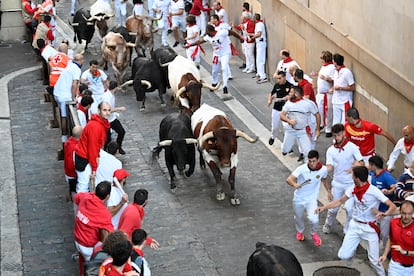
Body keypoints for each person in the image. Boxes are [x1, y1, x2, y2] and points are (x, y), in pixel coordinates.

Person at [316, 166, 396, 276]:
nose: (352, 177)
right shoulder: (353, 188)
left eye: (353, 176)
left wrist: (384, 213)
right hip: (355, 225)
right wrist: (324, 208)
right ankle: (351, 254)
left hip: (369, 228)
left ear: (357, 178)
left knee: (373, 261)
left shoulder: (374, 191)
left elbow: (392, 206)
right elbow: (339, 201)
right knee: (343, 255)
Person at [322, 123, 364, 235]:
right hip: (337, 183)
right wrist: (323, 170)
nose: (336, 138)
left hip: (351, 184)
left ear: (343, 134)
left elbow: (361, 162)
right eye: (334, 135)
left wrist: (355, 166)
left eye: (338, 135)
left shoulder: (352, 147)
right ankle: (328, 224)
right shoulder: (330, 150)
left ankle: (347, 230)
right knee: (333, 209)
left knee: (350, 209)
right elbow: (329, 166)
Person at [286, 150, 328, 246]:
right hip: (299, 199)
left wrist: (329, 192)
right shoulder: (302, 168)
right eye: (310, 161)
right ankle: (300, 231)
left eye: (313, 161)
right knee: (298, 217)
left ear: (318, 160)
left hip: (311, 199)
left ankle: (314, 234)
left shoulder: (323, 169)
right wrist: (294, 184)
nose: (311, 163)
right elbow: (289, 179)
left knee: (314, 219)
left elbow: (325, 180)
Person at [187, 24, 244, 94]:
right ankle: (214, 83)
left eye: (208, 32)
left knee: (224, 68)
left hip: (225, 53)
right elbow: (200, 41)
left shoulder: (222, 32)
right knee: (214, 70)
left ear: (211, 31)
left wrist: (240, 38)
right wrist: (190, 45)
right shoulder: (208, 37)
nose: (207, 34)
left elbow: (232, 33)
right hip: (216, 55)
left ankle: (225, 85)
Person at [75, 102, 111, 193]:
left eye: (109, 110)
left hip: (84, 155)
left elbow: (95, 147)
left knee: (84, 186)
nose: (107, 113)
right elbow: (92, 148)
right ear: (99, 111)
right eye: (104, 110)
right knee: (83, 187)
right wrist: (94, 169)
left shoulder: (100, 124)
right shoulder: (96, 127)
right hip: (83, 158)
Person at [74, 181, 114, 262]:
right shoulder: (104, 214)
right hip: (88, 247)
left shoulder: (85, 196)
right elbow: (109, 234)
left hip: (77, 239)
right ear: (108, 196)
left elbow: (76, 198)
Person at [280, 86, 321, 162]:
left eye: (291, 92)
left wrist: (317, 129)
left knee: (307, 152)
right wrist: (289, 121)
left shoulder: (308, 104)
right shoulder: (288, 103)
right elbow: (282, 115)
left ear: (296, 94)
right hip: (291, 130)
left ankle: (308, 167)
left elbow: (317, 115)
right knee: (286, 149)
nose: (289, 93)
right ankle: (284, 149)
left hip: (303, 131)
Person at [53, 54, 84, 143]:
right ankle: (64, 136)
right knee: (64, 116)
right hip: (64, 95)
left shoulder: (70, 65)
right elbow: (75, 84)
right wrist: (73, 97)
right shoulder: (76, 69)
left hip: (57, 92)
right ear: (81, 60)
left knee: (63, 113)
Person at [368, 155, 397, 248]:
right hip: (376, 210)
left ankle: (386, 251)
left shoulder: (386, 176)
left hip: (385, 211)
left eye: (369, 165)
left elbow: (394, 186)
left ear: (373, 165)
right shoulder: (372, 175)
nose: (368, 166)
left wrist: (388, 191)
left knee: (385, 234)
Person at [379, 200, 414, 275]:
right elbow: (390, 238)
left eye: (410, 214)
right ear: (400, 211)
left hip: (412, 269)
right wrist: (384, 255)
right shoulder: (393, 222)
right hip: (395, 266)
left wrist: (405, 252)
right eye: (404, 213)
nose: (407, 217)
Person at [267, 71, 293, 145]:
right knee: (274, 126)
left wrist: (288, 97)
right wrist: (269, 100)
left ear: (284, 77)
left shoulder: (290, 86)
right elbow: (271, 93)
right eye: (277, 78)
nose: (278, 80)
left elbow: (292, 96)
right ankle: (273, 136)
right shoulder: (277, 85)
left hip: (285, 110)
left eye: (280, 78)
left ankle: (287, 144)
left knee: (286, 128)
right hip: (277, 108)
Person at [102, 81, 127, 154]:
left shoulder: (111, 94)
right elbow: (107, 110)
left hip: (112, 118)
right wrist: (119, 108)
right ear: (115, 88)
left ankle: (118, 147)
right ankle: (105, 150)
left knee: (121, 132)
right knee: (107, 138)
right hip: (106, 120)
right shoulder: (107, 97)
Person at [330, 53, 355, 125]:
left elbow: (352, 87)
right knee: (336, 122)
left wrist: (340, 88)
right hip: (336, 100)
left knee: (344, 123)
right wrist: (332, 88)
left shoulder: (347, 72)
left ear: (335, 62)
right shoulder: (335, 71)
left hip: (345, 101)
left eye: (333, 61)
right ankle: (336, 136)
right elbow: (336, 83)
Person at [315, 50, 335, 137]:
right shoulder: (323, 67)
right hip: (320, 93)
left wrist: (325, 78)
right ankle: (322, 124)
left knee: (328, 111)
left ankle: (328, 129)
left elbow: (333, 79)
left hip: (328, 94)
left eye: (322, 58)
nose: (321, 60)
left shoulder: (332, 67)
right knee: (319, 111)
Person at [64, 126, 83, 204]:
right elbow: (71, 164)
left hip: (68, 172)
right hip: (73, 174)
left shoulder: (68, 142)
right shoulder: (75, 148)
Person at [249, 13, 267, 84]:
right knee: (258, 59)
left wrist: (252, 37)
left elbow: (259, 34)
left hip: (261, 43)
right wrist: (250, 34)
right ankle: (259, 74)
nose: (252, 19)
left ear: (255, 19)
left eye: (253, 18)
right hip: (259, 43)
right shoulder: (258, 24)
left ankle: (263, 76)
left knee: (260, 60)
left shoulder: (259, 24)